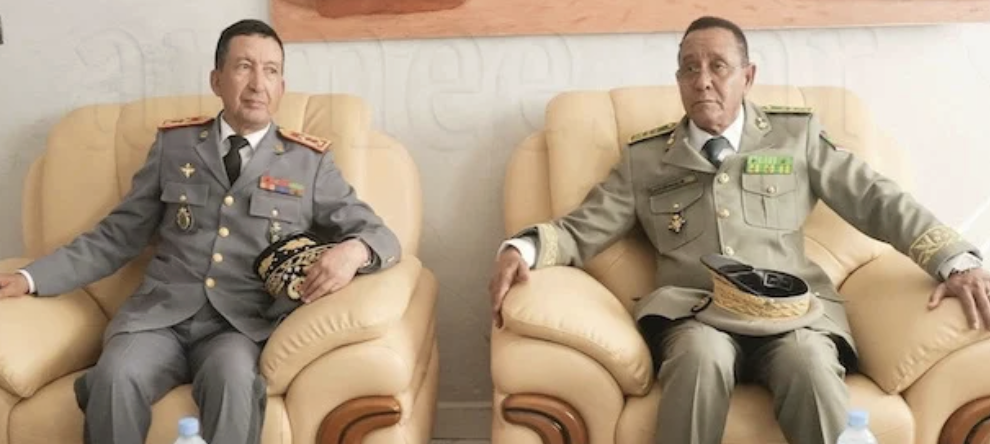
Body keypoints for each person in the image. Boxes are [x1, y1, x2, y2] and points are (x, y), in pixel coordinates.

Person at [488, 15, 989, 444]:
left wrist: (954, 260)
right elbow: (584, 227)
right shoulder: (647, 159)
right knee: (699, 358)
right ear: (679, 80)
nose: (702, 80)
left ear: (748, 77)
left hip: (792, 315)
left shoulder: (795, 136)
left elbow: (875, 198)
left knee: (808, 364)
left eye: (718, 66)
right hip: (695, 314)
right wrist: (523, 249)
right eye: (689, 68)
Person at [0, 19, 401, 444]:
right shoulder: (175, 145)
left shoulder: (309, 162)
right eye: (244, 67)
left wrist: (353, 251)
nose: (258, 83)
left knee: (234, 383)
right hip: (158, 319)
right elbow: (117, 236)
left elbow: (379, 235)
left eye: (270, 71)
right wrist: (30, 278)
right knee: (115, 376)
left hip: (238, 327)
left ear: (281, 86)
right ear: (217, 80)